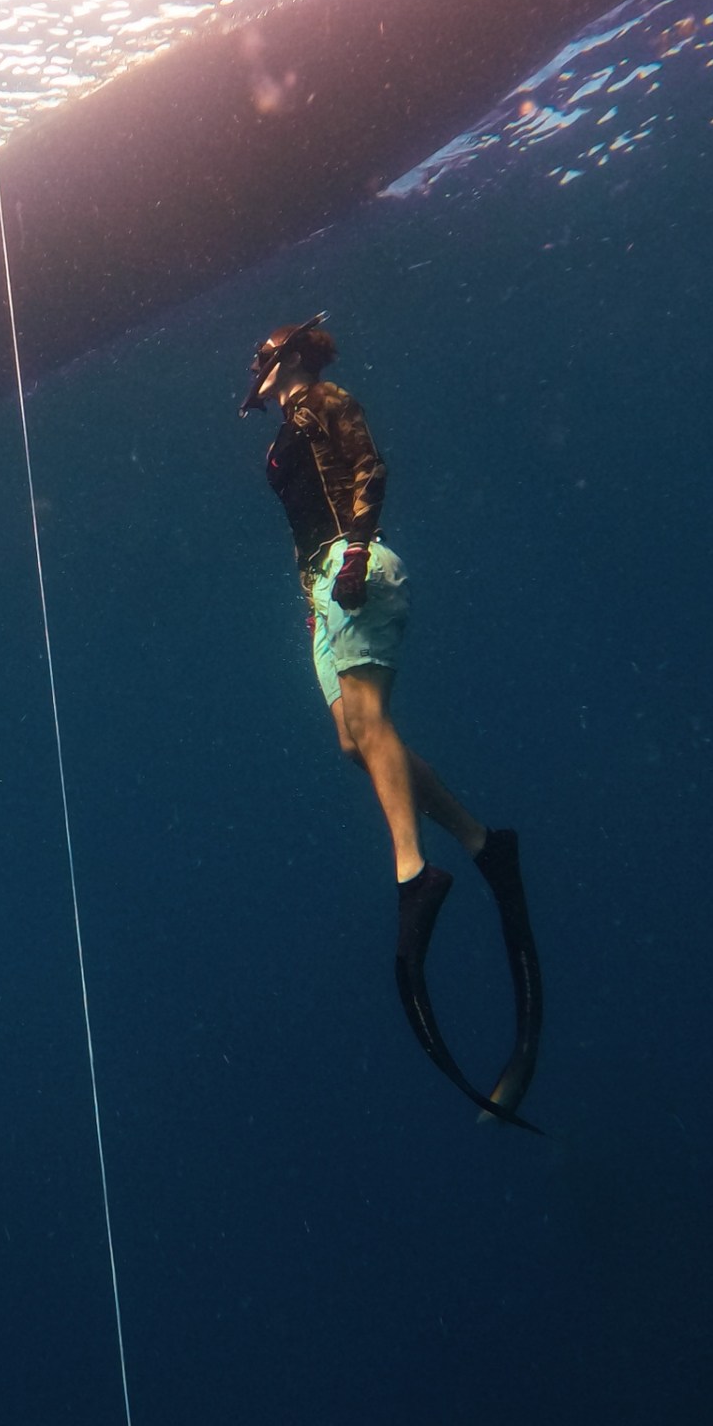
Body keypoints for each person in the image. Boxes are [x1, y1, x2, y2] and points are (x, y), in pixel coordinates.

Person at [239, 316, 543, 1129]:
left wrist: (358, 554)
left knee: (369, 723)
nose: (257, 375)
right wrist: (311, 595)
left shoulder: (326, 399)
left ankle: (417, 871)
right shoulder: (287, 426)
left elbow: (367, 468)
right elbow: (300, 513)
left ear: (289, 359)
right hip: (321, 585)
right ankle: (482, 841)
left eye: (265, 362)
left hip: (355, 565)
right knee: (354, 742)